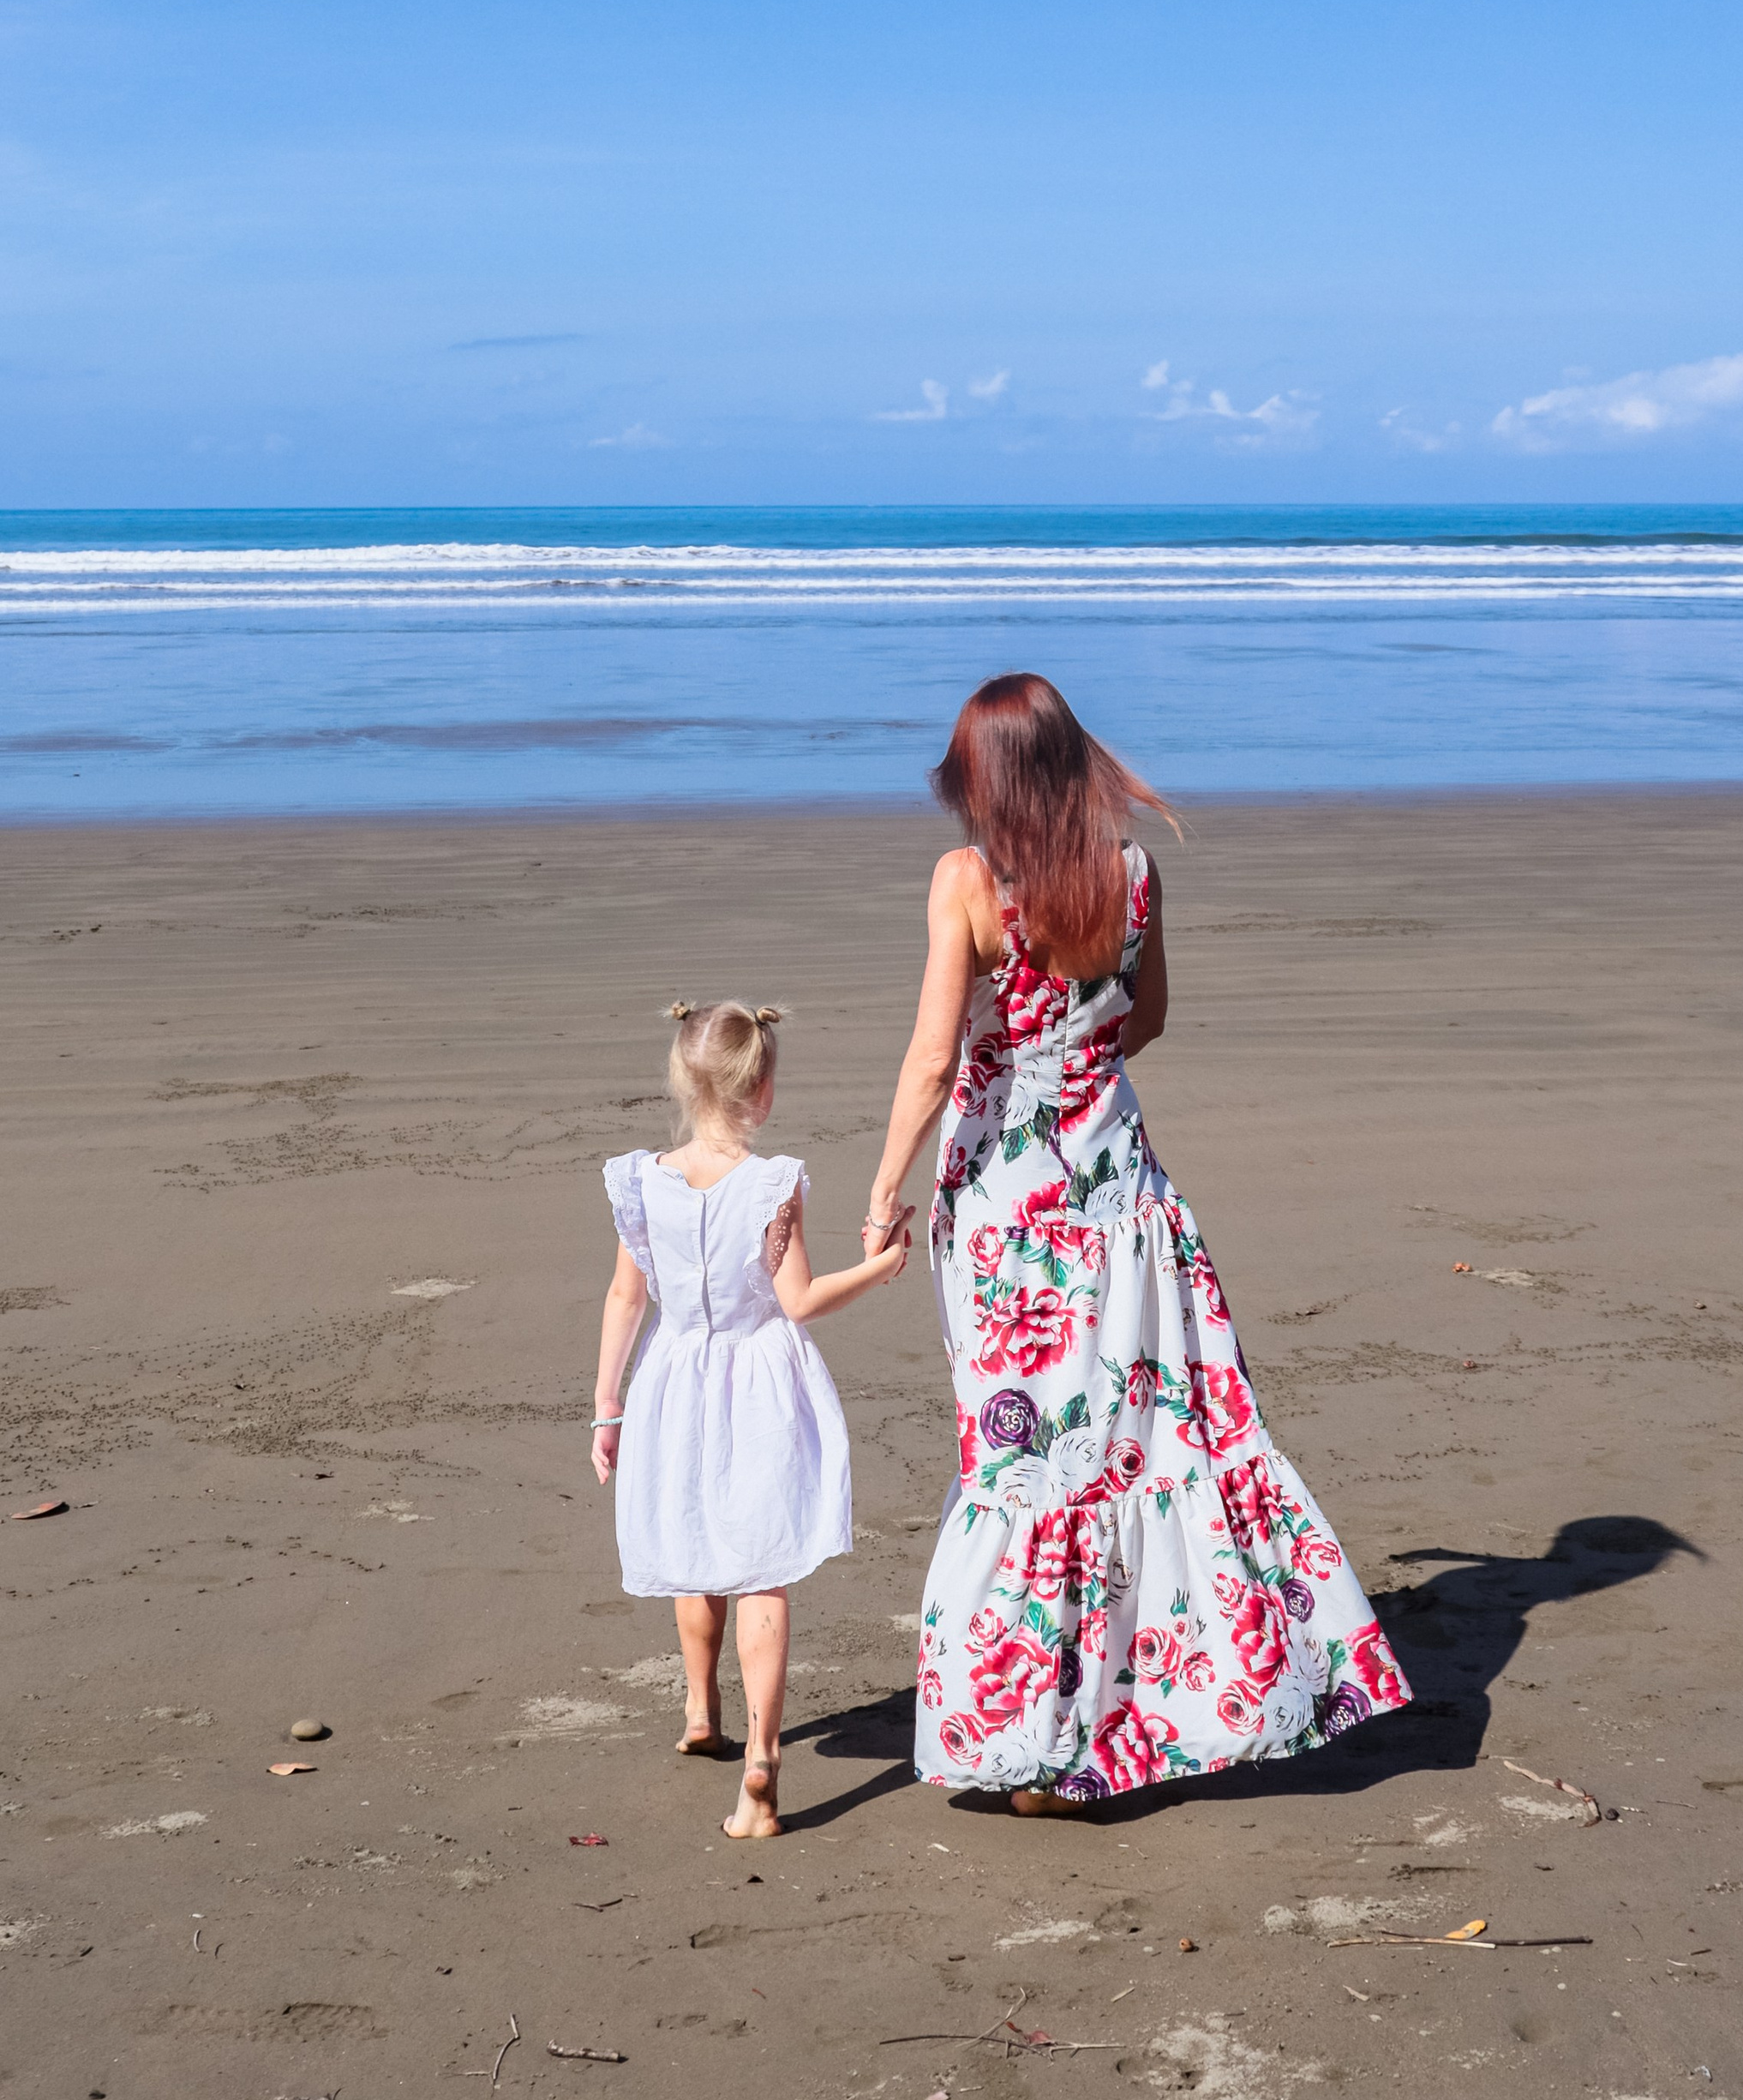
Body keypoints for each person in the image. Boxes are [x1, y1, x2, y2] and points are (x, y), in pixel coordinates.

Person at [866, 674, 1407, 1809]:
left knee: (1025, 1463)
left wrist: (883, 1191)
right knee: (1139, 1450)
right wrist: (1075, 1061)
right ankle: (1134, 1719)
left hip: (1010, 1218)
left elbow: (930, 1058)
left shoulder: (966, 881)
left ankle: (1036, 1743)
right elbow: (1145, 1018)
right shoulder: (1133, 870)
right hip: (1123, 1193)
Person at [591, 997, 907, 1839]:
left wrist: (606, 1404)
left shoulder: (643, 1180)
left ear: (682, 1080)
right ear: (761, 1088)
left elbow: (625, 1296)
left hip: (673, 1378)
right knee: (761, 1564)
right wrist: (881, 1265)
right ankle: (761, 1761)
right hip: (759, 1381)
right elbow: (797, 1299)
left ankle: (701, 1708)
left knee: (693, 1545)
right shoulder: (773, 1182)